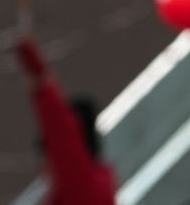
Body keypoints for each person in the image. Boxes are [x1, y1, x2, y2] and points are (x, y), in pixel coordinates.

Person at [16, 37, 117, 205]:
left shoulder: (83, 184)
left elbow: (61, 130)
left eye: (48, 154)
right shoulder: (90, 186)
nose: (43, 168)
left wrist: (38, 75)